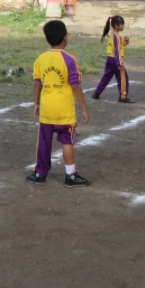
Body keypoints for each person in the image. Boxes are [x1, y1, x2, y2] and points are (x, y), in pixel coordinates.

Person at [27, 20, 91, 187]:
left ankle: (40, 173)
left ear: (47, 40)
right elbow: (76, 85)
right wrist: (84, 108)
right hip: (64, 112)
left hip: (47, 110)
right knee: (67, 142)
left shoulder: (41, 59)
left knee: (43, 143)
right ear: (65, 38)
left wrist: (36, 103)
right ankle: (70, 175)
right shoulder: (70, 59)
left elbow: (37, 83)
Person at [91, 15, 134, 103]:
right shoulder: (117, 36)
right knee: (123, 78)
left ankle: (96, 93)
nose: (123, 27)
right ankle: (123, 96)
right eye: (122, 25)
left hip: (109, 59)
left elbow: (118, 46)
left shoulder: (112, 35)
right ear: (116, 26)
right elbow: (117, 50)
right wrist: (119, 63)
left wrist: (126, 41)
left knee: (106, 77)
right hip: (116, 60)